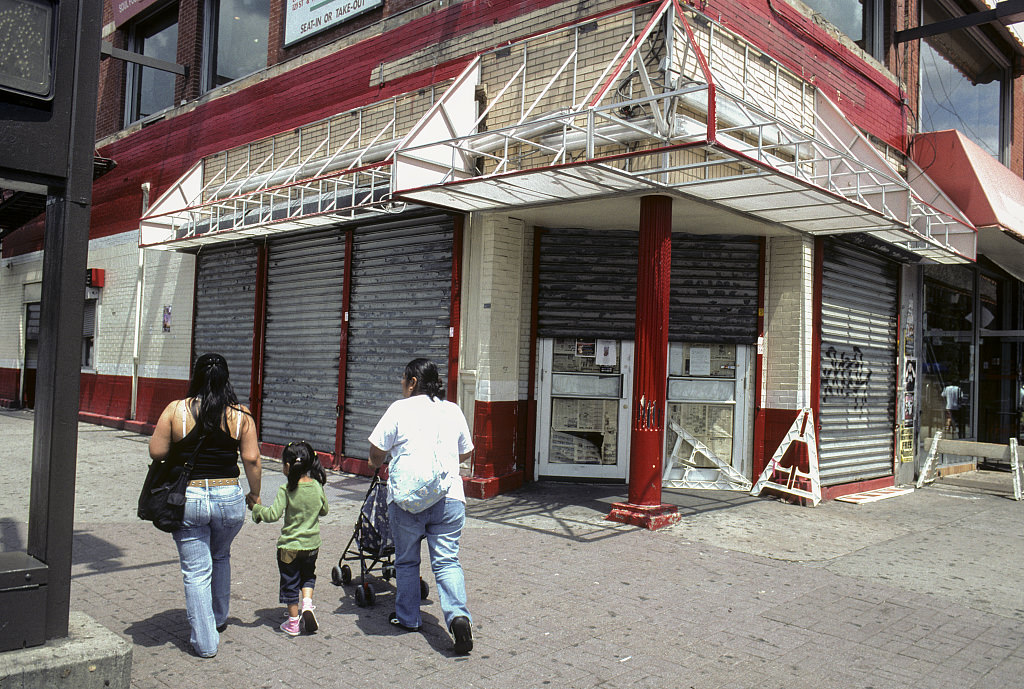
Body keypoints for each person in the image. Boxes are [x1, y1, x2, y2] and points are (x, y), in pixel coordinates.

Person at [148, 352, 262, 658]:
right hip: (229, 498)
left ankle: (205, 643)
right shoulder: (242, 415)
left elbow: (157, 451)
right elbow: (251, 459)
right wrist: (255, 494)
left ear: (195, 377)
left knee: (196, 572)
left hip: (189, 498)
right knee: (221, 555)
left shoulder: (176, 411)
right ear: (226, 379)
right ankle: (219, 618)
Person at [368, 358, 475, 654]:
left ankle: (408, 617)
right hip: (449, 496)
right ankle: (458, 617)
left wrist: (376, 463)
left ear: (413, 382)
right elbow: (465, 452)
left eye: (404, 380)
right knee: (446, 561)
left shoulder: (400, 409)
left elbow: (377, 450)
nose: (402, 386)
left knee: (406, 561)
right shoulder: (452, 409)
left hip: (407, 501)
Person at [251, 441, 329, 636]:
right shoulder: (317, 486)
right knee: (308, 576)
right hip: (312, 546)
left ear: (288, 466)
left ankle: (293, 623)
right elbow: (325, 510)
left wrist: (256, 508)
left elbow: (272, 515)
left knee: (290, 582)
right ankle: (308, 605)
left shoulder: (286, 490)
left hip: (289, 548)